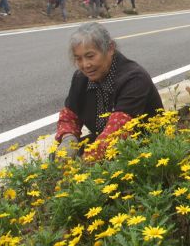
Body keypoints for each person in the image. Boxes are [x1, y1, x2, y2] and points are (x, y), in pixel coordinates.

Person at [54, 22, 164, 160]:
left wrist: (80, 167)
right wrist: (68, 138)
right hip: (105, 142)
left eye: (90, 56)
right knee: (58, 156)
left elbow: (117, 132)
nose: (85, 65)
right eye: (78, 59)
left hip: (142, 147)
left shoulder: (134, 78)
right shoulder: (81, 78)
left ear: (110, 48)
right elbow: (69, 115)